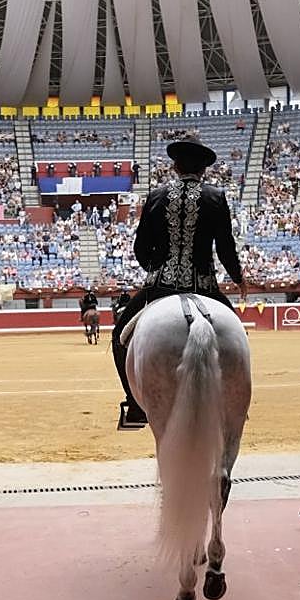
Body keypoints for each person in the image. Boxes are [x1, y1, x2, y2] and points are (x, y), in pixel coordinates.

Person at [111, 139, 245, 429]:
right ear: (203, 171)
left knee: (120, 335)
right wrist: (238, 277)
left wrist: (155, 269)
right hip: (205, 286)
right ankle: (236, 401)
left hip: (161, 284)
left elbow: (140, 247)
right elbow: (225, 247)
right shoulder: (215, 196)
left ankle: (135, 406)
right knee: (237, 337)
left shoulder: (157, 195)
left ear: (175, 166)